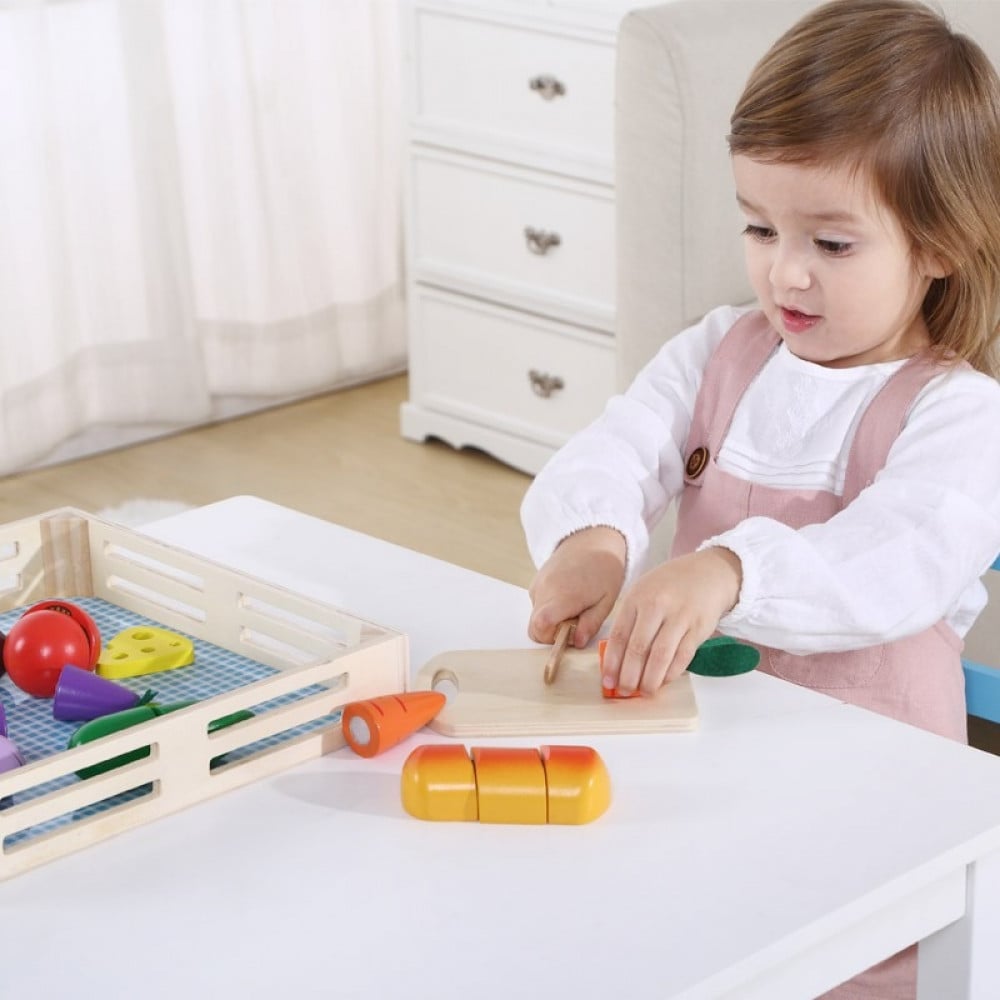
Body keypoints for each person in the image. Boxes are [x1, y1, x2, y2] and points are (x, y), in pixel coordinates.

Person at [521, 3, 1000, 995]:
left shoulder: (959, 413)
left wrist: (727, 569)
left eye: (832, 243)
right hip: (711, 758)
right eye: (759, 225)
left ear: (940, 243)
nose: (784, 271)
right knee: (702, 935)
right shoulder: (718, 348)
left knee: (835, 961)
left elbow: (897, 560)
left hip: (868, 810)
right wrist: (593, 537)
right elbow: (619, 443)